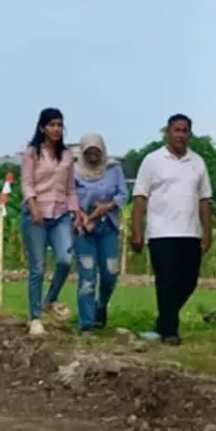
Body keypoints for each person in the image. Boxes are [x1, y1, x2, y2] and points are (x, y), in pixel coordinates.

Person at [130, 113, 213, 346]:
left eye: (185, 131)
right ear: (167, 132)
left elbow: (204, 199)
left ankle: (164, 320)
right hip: (161, 232)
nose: (180, 135)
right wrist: (136, 230)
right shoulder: (152, 161)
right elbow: (139, 198)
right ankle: (170, 332)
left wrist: (207, 232)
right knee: (166, 281)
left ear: (190, 134)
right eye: (176, 130)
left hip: (190, 232)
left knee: (188, 281)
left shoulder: (197, 163)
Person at [20, 107, 80, 337]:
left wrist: (75, 212)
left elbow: (70, 189)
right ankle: (35, 317)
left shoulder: (66, 156)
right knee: (37, 268)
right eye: (52, 125)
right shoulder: (32, 153)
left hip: (61, 213)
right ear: (42, 127)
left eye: (59, 125)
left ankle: (50, 299)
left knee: (65, 260)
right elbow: (26, 183)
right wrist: (33, 206)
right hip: (36, 213)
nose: (56, 129)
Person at [73, 134, 128, 333]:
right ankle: (86, 324)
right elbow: (68, 196)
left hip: (108, 226)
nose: (93, 155)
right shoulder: (75, 171)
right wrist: (82, 216)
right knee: (87, 275)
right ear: (83, 152)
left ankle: (101, 305)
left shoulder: (113, 169)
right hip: (83, 228)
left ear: (103, 151)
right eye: (89, 152)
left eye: (97, 151)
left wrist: (107, 207)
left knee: (110, 272)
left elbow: (123, 194)